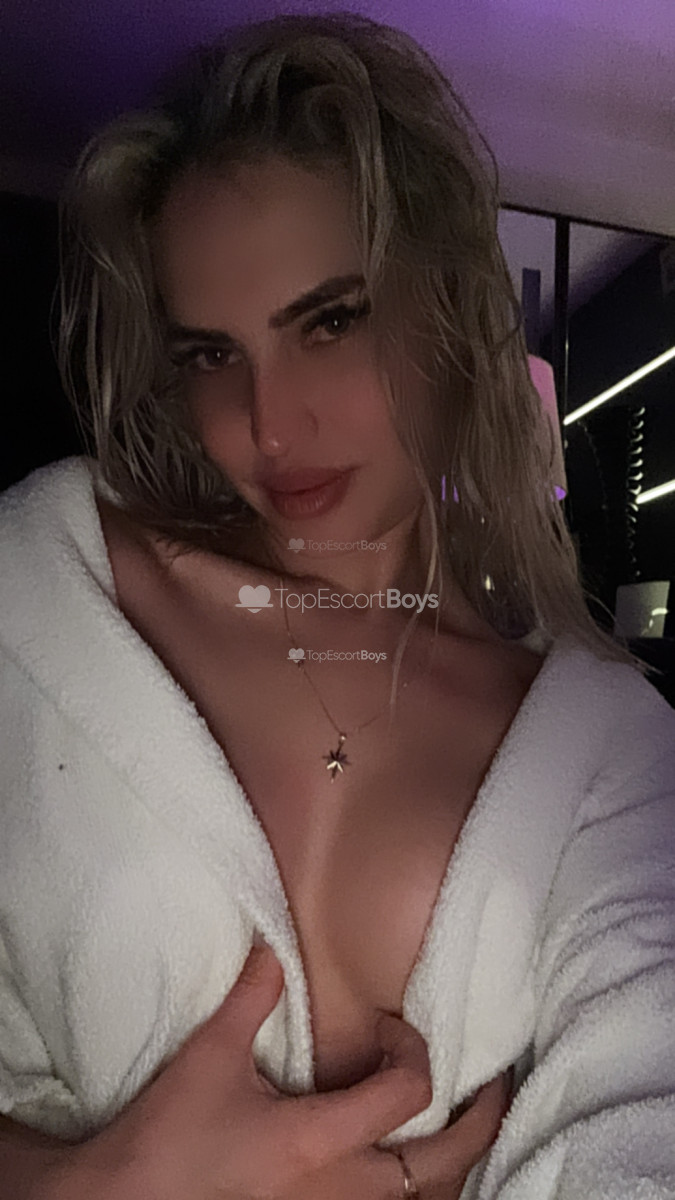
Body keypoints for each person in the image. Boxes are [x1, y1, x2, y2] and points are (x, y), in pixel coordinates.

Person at [0, 11, 673, 1200]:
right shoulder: (41, 594)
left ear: (447, 310)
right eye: (211, 354)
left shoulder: (606, 750)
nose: (270, 425)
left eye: (329, 321)